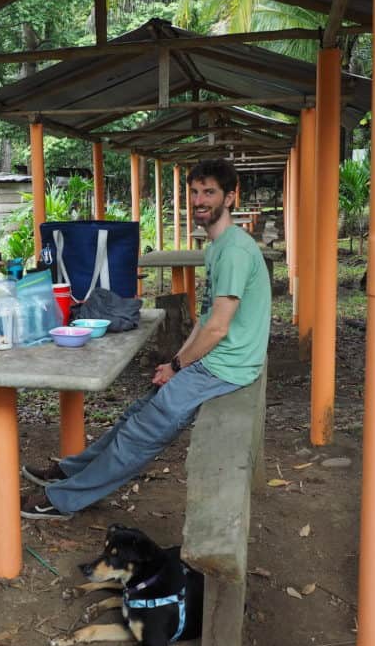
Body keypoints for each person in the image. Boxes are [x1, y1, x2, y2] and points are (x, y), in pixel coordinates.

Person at [20, 158, 271, 519]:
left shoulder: (233, 250)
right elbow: (204, 322)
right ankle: (71, 471)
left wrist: (180, 366)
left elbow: (218, 329)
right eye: (195, 192)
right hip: (216, 362)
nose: (199, 200)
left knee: (142, 431)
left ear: (231, 198)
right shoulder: (218, 246)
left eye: (210, 193)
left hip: (227, 367)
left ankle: (63, 499)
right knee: (135, 415)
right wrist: (173, 365)